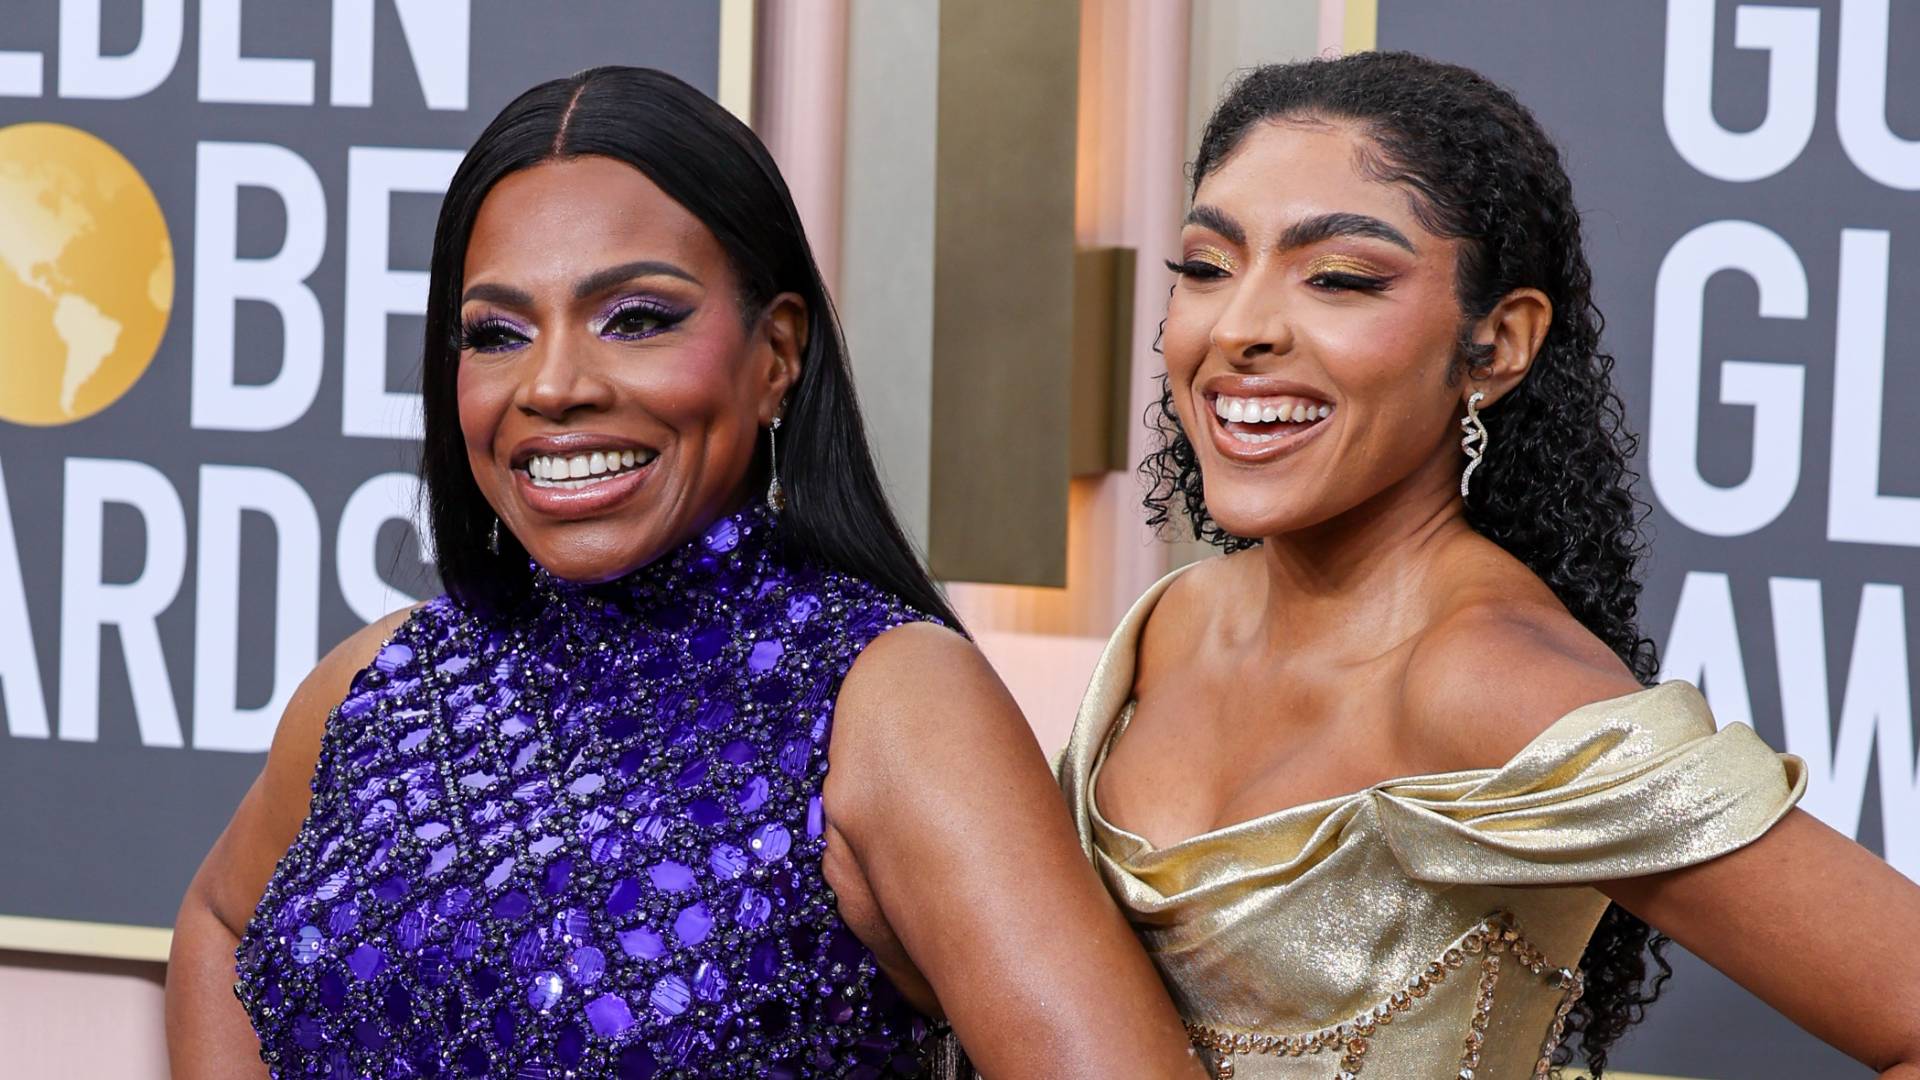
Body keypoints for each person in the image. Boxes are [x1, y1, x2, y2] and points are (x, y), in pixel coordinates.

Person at [166, 66, 1202, 1080]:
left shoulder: (887, 702)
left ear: (777, 355)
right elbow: (219, 923)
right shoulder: (382, 680)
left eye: (637, 319)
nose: (555, 384)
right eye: (497, 334)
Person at [1056, 52, 1920, 1078]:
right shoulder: (1169, 624)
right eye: (1206, 266)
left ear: (1497, 345)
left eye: (1338, 278)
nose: (1239, 326)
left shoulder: (1491, 678)